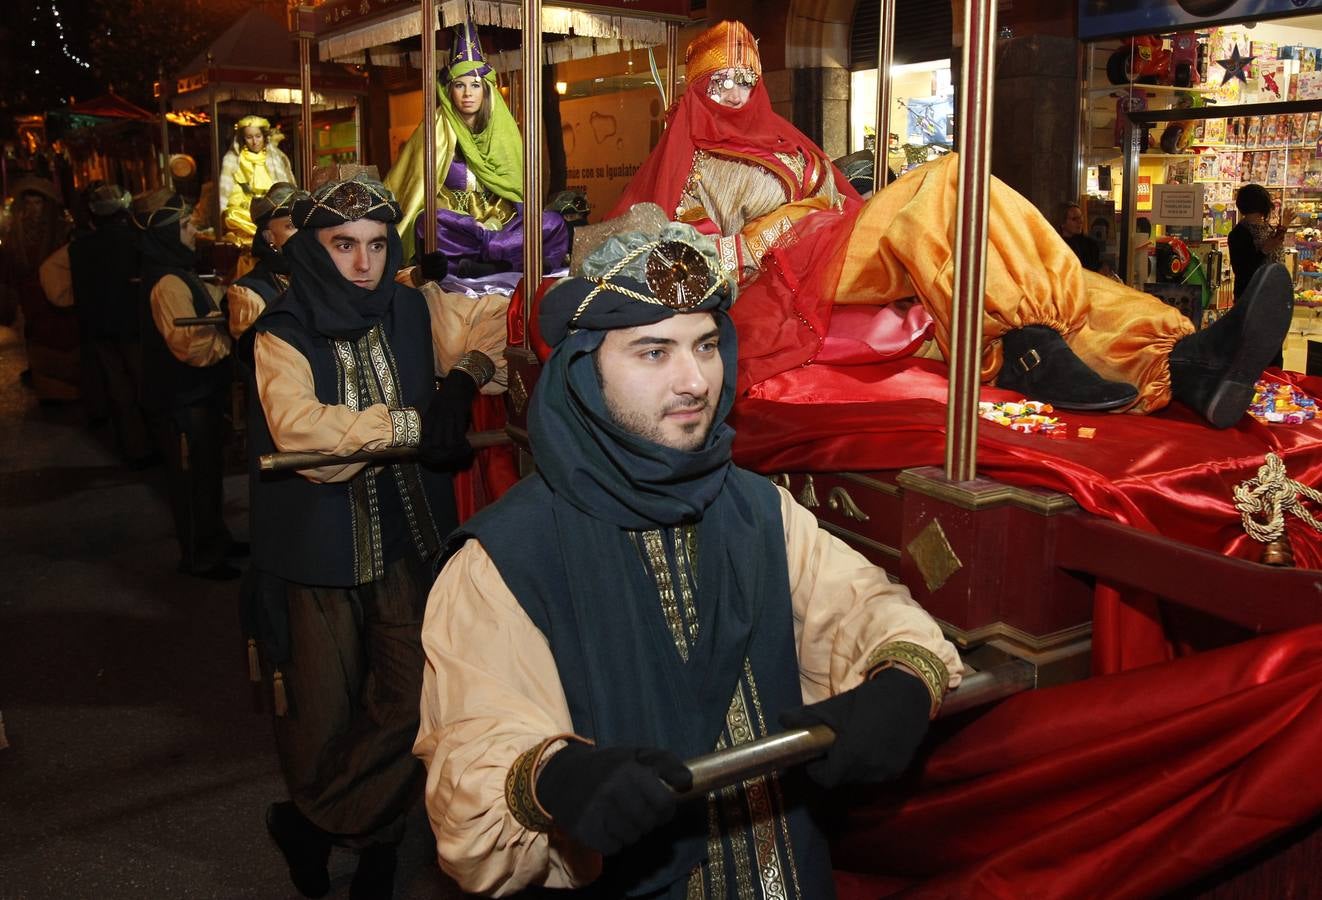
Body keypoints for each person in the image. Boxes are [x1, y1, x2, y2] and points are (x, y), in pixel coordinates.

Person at [414, 224, 963, 897]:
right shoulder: (502, 560)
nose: (695, 380)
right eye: (653, 352)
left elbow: (863, 608)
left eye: (706, 346)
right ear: (585, 370)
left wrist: (903, 678)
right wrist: (548, 778)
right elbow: (473, 754)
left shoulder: (759, 509)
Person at [611, 20, 1294, 428]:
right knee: (949, 184)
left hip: (843, 250)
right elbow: (674, 262)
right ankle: (1024, 345)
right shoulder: (690, 162)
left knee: (1021, 252)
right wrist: (770, 232)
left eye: (743, 80)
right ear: (694, 89)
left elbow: (840, 200)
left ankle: (1184, 360)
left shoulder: (790, 144)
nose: (733, 94)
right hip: (788, 281)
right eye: (717, 83)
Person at [249, 173, 497, 900]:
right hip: (317, 547)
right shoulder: (280, 329)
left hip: (406, 537)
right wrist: (413, 426)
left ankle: (321, 823)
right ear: (313, 249)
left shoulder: (412, 305)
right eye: (344, 245)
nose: (364, 262)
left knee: (418, 697)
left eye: (378, 244)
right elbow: (305, 434)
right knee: (319, 715)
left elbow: (490, 322)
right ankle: (370, 836)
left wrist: (462, 381)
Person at [384, 21, 569, 282]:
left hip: (500, 225)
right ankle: (503, 261)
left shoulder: (501, 129)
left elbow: (516, 193)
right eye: (460, 85)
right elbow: (416, 190)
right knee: (429, 223)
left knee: (552, 223)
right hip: (458, 228)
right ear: (450, 91)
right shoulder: (436, 129)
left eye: (475, 85)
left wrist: (493, 224)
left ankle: (489, 261)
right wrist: (469, 225)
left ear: (486, 90)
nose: (467, 93)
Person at [134, 188, 240, 580]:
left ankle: (217, 538)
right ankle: (200, 556)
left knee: (208, 472)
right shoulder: (166, 283)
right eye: (184, 224)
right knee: (192, 479)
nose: (194, 228)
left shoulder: (179, 272)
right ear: (164, 233)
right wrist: (227, 338)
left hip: (197, 395)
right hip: (181, 398)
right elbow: (190, 348)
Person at [61, 184, 153, 465]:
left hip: (101, 327)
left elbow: (81, 292)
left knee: (119, 389)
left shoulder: (79, 248)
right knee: (143, 384)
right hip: (134, 326)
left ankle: (134, 449)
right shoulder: (137, 241)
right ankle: (153, 445)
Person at [2, 176, 77, 401]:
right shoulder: (15, 233)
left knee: (64, 338)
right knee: (38, 339)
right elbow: (10, 266)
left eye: (38, 203)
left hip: (56, 295)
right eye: (29, 203)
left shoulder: (61, 230)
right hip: (31, 299)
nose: (34, 208)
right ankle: (47, 388)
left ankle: (69, 388)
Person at [226, 182, 307, 341]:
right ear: (269, 237)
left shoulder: (316, 275)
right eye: (290, 226)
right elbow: (254, 355)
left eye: (302, 225)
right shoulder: (249, 293)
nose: (301, 234)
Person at [220, 115, 296, 244]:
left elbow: (285, 186)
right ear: (243, 138)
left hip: (272, 206)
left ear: (264, 136)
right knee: (231, 216)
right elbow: (229, 188)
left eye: (258, 136)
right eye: (249, 137)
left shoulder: (275, 157)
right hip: (247, 207)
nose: (254, 141)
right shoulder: (234, 158)